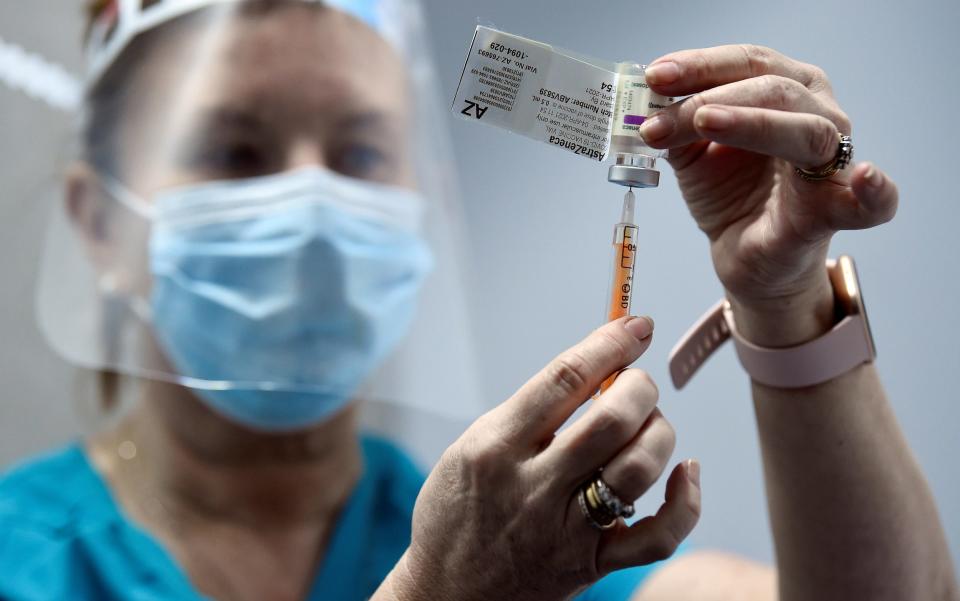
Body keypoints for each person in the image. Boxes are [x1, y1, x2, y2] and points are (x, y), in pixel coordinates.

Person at [0, 1, 956, 600]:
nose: (318, 210)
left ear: (423, 199)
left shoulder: (511, 535)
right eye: (233, 152)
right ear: (97, 223)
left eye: (362, 153)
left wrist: (786, 297)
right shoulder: (488, 553)